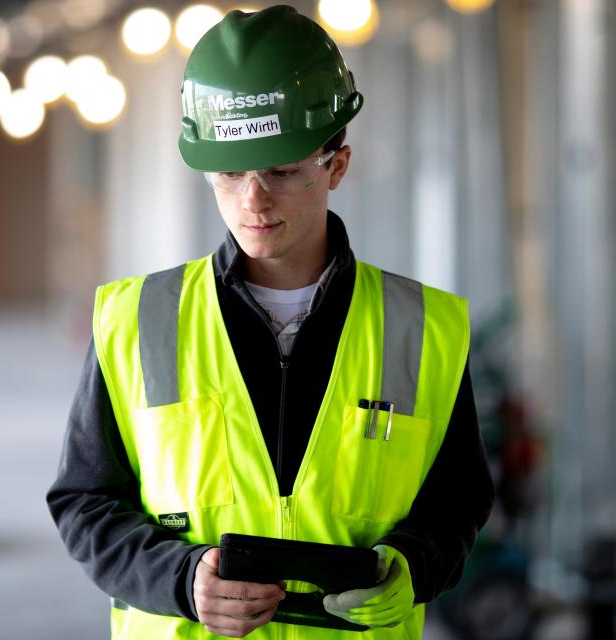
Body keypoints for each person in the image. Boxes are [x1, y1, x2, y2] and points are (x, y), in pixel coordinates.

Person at [47, 5, 494, 639]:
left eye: (282, 171)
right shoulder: (135, 320)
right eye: (231, 173)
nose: (253, 200)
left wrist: (410, 567)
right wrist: (181, 578)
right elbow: (84, 503)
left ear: (335, 165)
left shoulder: (422, 328)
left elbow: (456, 505)